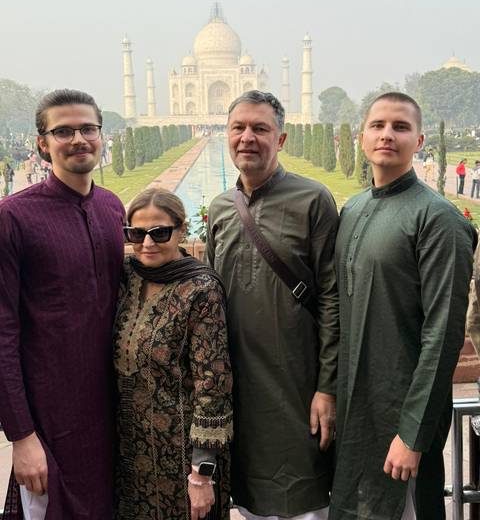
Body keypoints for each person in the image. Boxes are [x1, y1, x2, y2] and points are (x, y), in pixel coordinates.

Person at [330, 92, 477, 520]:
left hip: (402, 416)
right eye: (377, 126)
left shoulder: (438, 219)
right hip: (357, 409)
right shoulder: (354, 209)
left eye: (400, 127)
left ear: (419, 139)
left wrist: (412, 435)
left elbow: (443, 334)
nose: (387, 135)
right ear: (361, 138)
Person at [205, 90, 339, 519]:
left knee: (305, 502)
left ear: (280, 140)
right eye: (238, 128)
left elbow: (333, 298)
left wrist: (327, 387)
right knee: (249, 502)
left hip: (297, 383)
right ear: (226, 135)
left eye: (260, 128)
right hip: (239, 386)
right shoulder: (222, 207)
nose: (248, 137)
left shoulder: (312, 200)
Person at [0, 89, 125, 519]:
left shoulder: (111, 208)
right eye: (63, 131)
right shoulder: (13, 217)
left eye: (88, 128)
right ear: (42, 143)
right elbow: (2, 332)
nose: (78, 139)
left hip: (113, 414)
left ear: (101, 135)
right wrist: (21, 435)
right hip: (51, 421)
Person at [114, 187, 233, 520]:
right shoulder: (126, 276)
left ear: (181, 231)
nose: (147, 243)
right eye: (136, 234)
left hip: (183, 457)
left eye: (160, 232)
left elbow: (212, 386)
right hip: (131, 453)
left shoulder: (200, 289)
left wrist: (201, 474)